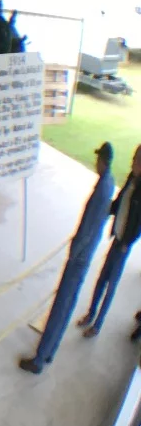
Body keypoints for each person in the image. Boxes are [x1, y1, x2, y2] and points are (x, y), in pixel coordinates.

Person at [20, 143, 115, 373]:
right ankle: (50, 351)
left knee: (61, 303)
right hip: (87, 252)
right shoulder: (109, 182)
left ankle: (39, 359)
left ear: (102, 161)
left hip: (81, 255)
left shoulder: (102, 187)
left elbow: (87, 226)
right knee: (68, 302)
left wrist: (73, 253)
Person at [77, 142, 141, 336]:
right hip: (117, 237)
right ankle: (90, 313)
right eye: (133, 159)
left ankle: (97, 325)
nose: (132, 164)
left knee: (111, 283)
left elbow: (138, 224)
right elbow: (120, 202)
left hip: (123, 244)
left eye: (136, 161)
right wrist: (108, 210)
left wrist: (127, 242)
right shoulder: (132, 179)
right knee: (101, 278)